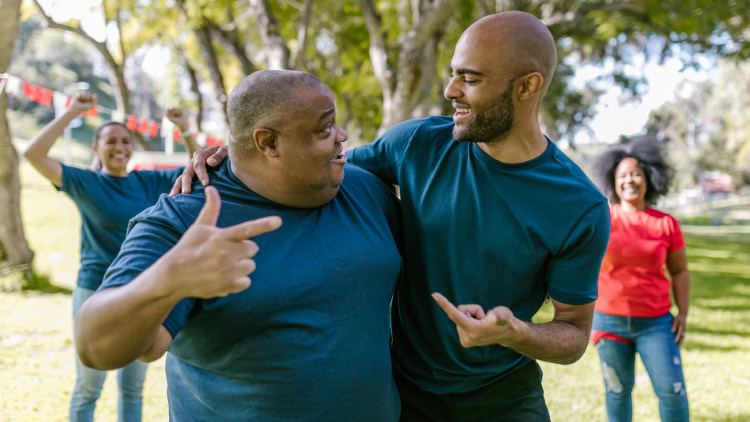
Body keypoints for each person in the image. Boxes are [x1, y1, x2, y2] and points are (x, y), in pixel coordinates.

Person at [177, 11, 610, 420]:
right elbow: (307, 166)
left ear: (527, 86)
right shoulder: (417, 144)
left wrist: (514, 332)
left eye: (470, 78)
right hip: (404, 395)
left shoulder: (579, 205)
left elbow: (573, 335)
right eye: (453, 72)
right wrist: (235, 156)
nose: (451, 90)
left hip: (505, 401)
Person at [74, 70, 403, 421]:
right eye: (324, 128)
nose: (342, 135)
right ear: (268, 143)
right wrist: (169, 279)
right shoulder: (186, 219)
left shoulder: (364, 188)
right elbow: (95, 348)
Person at [22, 93, 200, 422]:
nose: (120, 146)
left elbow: (197, 168)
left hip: (140, 291)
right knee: (89, 386)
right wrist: (73, 111)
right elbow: (33, 154)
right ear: (96, 148)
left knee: (132, 388)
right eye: (110, 141)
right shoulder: (86, 183)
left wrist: (184, 130)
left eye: (125, 140)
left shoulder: (149, 181)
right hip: (94, 291)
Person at [591, 139, 691, 421]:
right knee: (617, 393)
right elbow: (578, 262)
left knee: (672, 392)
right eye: (623, 175)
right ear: (613, 181)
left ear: (648, 178)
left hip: (656, 324)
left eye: (636, 174)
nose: (630, 180)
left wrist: (683, 312)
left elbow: (680, 271)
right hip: (608, 323)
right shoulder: (602, 220)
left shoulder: (666, 223)